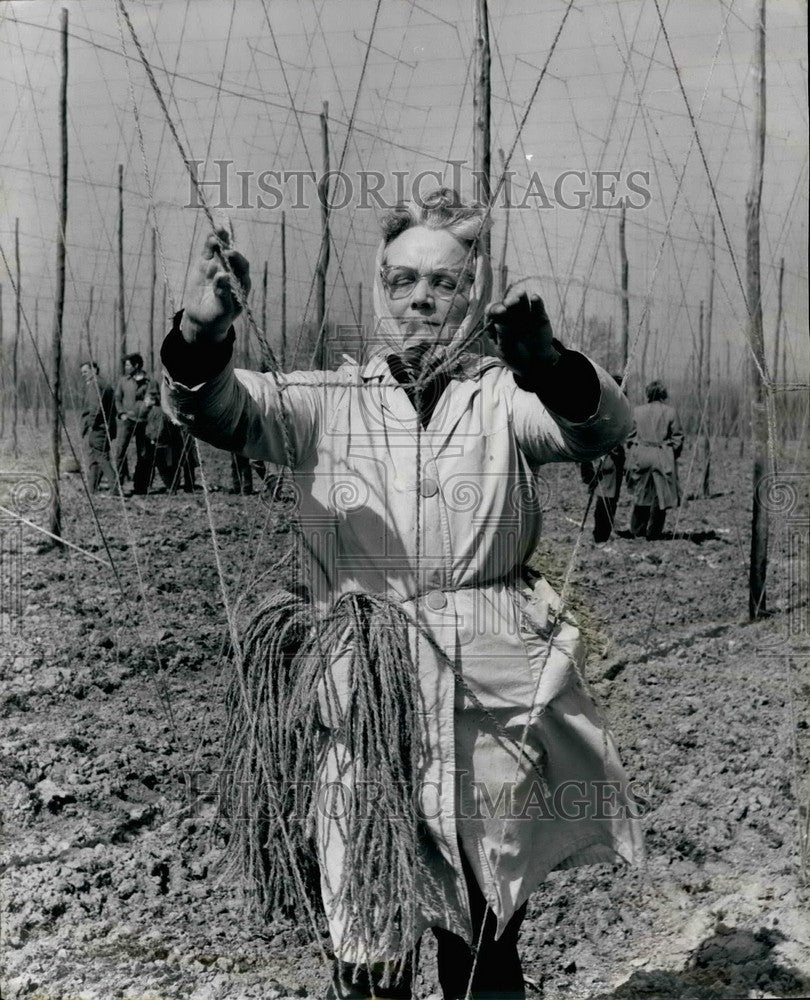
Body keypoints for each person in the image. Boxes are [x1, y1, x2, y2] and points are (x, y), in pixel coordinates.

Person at [161, 190, 644, 999]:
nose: (421, 299)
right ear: (379, 289)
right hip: (365, 704)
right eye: (402, 280)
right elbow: (218, 409)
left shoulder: (505, 399)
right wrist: (204, 333)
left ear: (472, 296)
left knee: (485, 938)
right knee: (369, 937)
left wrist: (549, 364)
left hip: (489, 703)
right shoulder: (323, 401)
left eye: (444, 283)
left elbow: (602, 428)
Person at [625, 379, 684, 540]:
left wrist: (636, 450)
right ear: (663, 394)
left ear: (648, 393)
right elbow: (678, 438)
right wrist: (671, 453)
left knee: (642, 492)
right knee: (661, 495)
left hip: (642, 453)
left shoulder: (638, 411)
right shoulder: (671, 412)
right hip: (662, 454)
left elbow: (630, 436)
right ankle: (654, 532)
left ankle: (637, 529)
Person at [579, 374, 626, 543]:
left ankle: (603, 532)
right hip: (604, 456)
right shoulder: (608, 407)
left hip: (603, 455)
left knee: (607, 496)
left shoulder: (607, 405)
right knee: (606, 496)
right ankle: (601, 534)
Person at [143, 387, 196, 493]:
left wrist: (154, 438)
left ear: (153, 400)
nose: (145, 401)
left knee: (164, 467)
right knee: (165, 466)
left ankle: (171, 487)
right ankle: (172, 486)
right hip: (158, 442)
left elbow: (160, 428)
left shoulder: (158, 412)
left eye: (147, 399)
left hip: (160, 443)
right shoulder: (153, 410)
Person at [114, 352, 151, 494]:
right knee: (120, 452)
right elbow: (117, 399)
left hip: (143, 422)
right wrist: (121, 413)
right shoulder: (123, 381)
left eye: (128, 365)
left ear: (136, 365)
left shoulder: (148, 381)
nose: (126, 367)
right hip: (126, 421)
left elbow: (152, 399)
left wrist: (144, 411)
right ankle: (118, 485)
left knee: (143, 454)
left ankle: (140, 485)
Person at [79, 360, 118, 494]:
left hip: (98, 427)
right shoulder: (105, 384)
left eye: (85, 371)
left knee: (101, 457)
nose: (83, 375)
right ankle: (92, 488)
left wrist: (91, 424)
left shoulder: (94, 385)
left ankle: (115, 488)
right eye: (82, 372)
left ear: (94, 370)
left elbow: (96, 408)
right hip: (106, 427)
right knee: (95, 457)